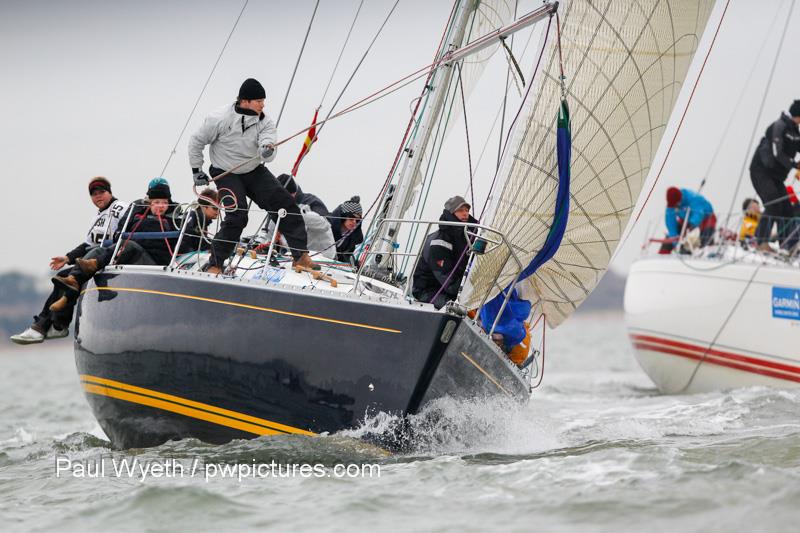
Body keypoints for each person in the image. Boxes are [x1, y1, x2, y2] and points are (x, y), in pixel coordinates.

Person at [188, 78, 318, 274]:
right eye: (259, 101)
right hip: (226, 172)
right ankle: (215, 264)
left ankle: (300, 256)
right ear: (245, 101)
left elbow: (268, 142)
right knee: (237, 216)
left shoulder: (265, 121)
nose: (263, 104)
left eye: (263, 101)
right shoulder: (220, 118)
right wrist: (197, 170)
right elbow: (196, 141)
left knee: (286, 205)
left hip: (253, 169)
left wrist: (267, 150)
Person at [10, 177, 128, 344]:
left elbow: (125, 234)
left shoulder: (121, 208)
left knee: (69, 277)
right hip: (95, 260)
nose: (98, 196)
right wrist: (67, 258)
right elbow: (88, 245)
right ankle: (56, 325)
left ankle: (46, 326)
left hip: (110, 260)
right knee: (62, 277)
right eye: (94, 194)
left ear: (110, 192)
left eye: (102, 192)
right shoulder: (97, 217)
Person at [48, 179, 181, 311]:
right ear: (149, 202)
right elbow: (119, 232)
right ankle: (73, 280)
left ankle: (89, 273)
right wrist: (68, 258)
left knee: (128, 245)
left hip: (155, 263)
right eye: (157, 202)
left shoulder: (176, 218)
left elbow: (184, 244)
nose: (161, 206)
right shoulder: (136, 211)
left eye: (165, 202)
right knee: (98, 250)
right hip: (132, 257)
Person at [749, 100, 800, 251]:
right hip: (761, 172)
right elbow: (777, 153)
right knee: (773, 204)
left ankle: (787, 246)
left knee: (787, 211)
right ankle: (761, 243)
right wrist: (795, 164)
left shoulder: (795, 132)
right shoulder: (779, 126)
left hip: (776, 177)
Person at [412, 196, 478, 309]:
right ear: (451, 213)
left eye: (467, 210)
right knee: (459, 310)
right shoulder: (438, 241)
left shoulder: (466, 239)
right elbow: (448, 281)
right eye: (461, 210)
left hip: (450, 292)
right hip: (428, 292)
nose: (465, 214)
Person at [265, 176, 335, 260]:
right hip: (291, 257)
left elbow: (325, 225)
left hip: (323, 257)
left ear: (293, 194)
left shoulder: (312, 202)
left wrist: (298, 214)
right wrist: (263, 244)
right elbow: (270, 233)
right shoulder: (277, 207)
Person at [660, 187, 716, 254]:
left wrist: (690, 227)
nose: (675, 207)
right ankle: (663, 255)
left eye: (676, 206)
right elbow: (670, 223)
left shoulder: (694, 198)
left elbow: (698, 214)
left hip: (706, 220)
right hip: (685, 221)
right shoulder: (671, 204)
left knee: (703, 241)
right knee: (669, 239)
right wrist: (675, 240)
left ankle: (706, 254)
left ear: (679, 200)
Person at [179, 188, 220, 253]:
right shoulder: (193, 218)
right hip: (183, 256)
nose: (218, 212)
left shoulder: (202, 219)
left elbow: (201, 242)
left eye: (219, 209)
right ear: (204, 206)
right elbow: (185, 242)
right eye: (215, 208)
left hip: (192, 254)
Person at [328, 196, 364, 263]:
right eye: (351, 219)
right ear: (343, 217)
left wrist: (355, 264)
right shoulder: (326, 227)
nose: (354, 222)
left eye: (357, 220)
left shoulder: (353, 236)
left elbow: (346, 257)